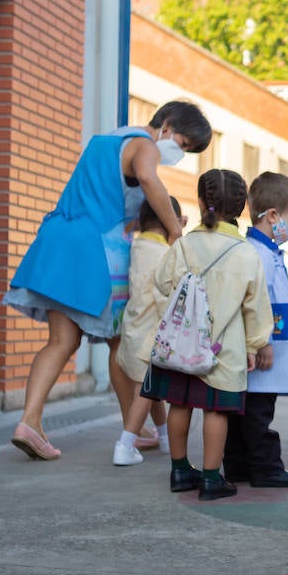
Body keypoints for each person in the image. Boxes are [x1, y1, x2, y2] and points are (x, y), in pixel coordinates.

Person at [4, 100, 210, 460]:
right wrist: (176, 231)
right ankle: (135, 428)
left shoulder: (107, 140)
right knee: (122, 343)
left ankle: (29, 421)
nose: (181, 151)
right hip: (99, 253)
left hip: (58, 243)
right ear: (167, 123)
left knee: (60, 342)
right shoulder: (144, 145)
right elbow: (148, 178)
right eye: (184, 142)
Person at [144, 169, 273, 500]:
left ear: (201, 202)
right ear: (242, 207)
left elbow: (161, 282)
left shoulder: (185, 245)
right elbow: (256, 307)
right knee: (216, 410)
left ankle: (179, 469)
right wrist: (256, 344)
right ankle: (213, 478)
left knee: (180, 404)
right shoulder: (247, 253)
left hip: (181, 342)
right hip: (222, 348)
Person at [223, 172, 288, 489]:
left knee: (245, 413)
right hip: (262, 350)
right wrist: (264, 343)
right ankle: (265, 468)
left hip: (262, 347)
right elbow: (258, 302)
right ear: (273, 215)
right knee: (258, 414)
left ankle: (238, 466)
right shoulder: (257, 253)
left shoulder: (265, 250)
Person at [112, 196, 187, 466]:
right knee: (145, 394)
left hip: (132, 333)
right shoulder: (164, 255)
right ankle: (125, 444)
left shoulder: (137, 247)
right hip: (150, 338)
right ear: (172, 222)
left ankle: (165, 438)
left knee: (151, 391)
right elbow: (166, 297)